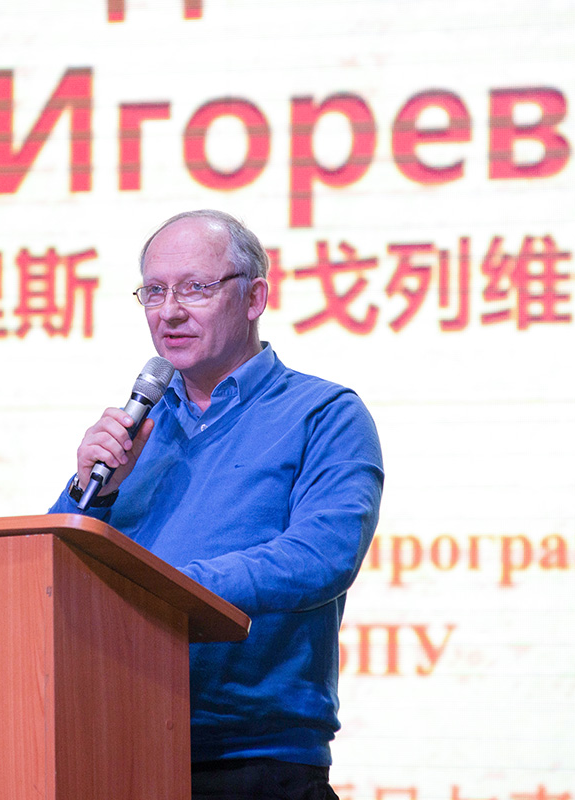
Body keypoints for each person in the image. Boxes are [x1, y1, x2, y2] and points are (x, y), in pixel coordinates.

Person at [49, 210, 384, 800]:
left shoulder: (323, 414)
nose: (169, 310)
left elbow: (321, 556)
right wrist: (94, 492)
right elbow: (48, 577)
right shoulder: (136, 429)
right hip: (114, 743)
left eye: (196, 288)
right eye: (154, 291)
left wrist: (159, 586)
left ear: (254, 297)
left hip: (255, 759)